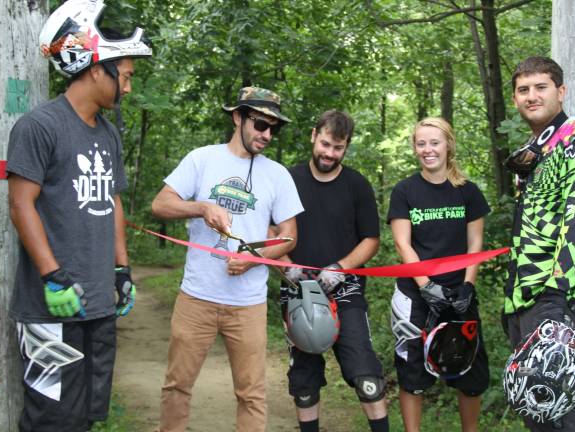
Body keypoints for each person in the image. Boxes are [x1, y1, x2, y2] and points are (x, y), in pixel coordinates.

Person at [5, 0, 151, 430]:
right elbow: (20, 204)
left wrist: (122, 269)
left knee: (86, 416)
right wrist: (52, 276)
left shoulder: (108, 134)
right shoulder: (39, 126)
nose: (127, 89)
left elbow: (114, 201)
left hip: (99, 306)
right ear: (94, 67)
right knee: (50, 419)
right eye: (123, 77)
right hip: (51, 308)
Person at [152, 86, 303, 432]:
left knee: (252, 394)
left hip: (247, 305)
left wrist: (255, 258)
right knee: (177, 386)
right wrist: (202, 206)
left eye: (273, 128)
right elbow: (160, 204)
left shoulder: (277, 175)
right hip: (196, 297)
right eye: (259, 124)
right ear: (237, 117)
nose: (266, 134)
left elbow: (289, 235)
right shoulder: (202, 159)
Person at [502, 56, 575, 431]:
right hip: (524, 292)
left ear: (561, 92)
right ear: (515, 98)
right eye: (523, 89)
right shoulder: (537, 150)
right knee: (532, 404)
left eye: (541, 87)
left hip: (558, 294)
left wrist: (558, 301)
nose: (531, 96)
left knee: (553, 404)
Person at [278, 110, 389, 432]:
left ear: (347, 147)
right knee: (304, 382)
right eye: (325, 144)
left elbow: (371, 239)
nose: (329, 153)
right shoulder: (288, 180)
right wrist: (286, 266)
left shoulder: (357, 185)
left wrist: (341, 267)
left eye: (338, 148)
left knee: (367, 376)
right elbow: (271, 232)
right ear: (314, 135)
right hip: (297, 292)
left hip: (346, 291)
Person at [387, 117, 490, 432]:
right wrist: (427, 286)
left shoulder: (467, 191)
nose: (428, 150)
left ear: (448, 145)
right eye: (421, 143)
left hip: (459, 296)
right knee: (412, 374)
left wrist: (467, 287)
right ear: (414, 148)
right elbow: (403, 243)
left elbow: (475, 243)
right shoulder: (405, 191)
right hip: (416, 296)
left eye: (434, 142)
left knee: (470, 375)